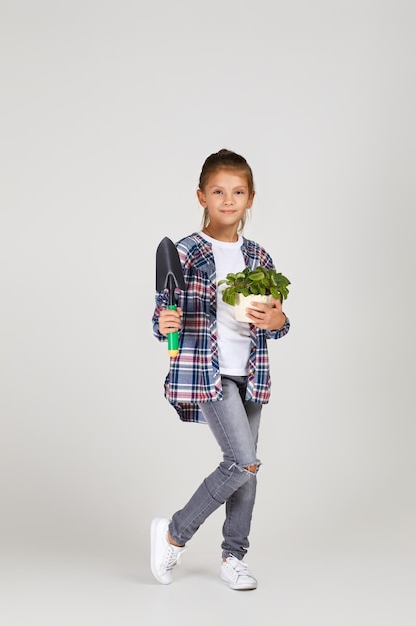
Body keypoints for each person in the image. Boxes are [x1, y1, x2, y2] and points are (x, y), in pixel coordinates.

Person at [151, 148, 290, 590]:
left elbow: (278, 320)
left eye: (238, 192)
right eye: (218, 191)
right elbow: (163, 313)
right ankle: (175, 532)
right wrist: (164, 322)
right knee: (242, 460)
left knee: (247, 470)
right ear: (201, 196)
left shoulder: (260, 259)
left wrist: (277, 319)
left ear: (250, 199)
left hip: (251, 372)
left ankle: (234, 556)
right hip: (207, 371)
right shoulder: (186, 252)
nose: (228, 200)